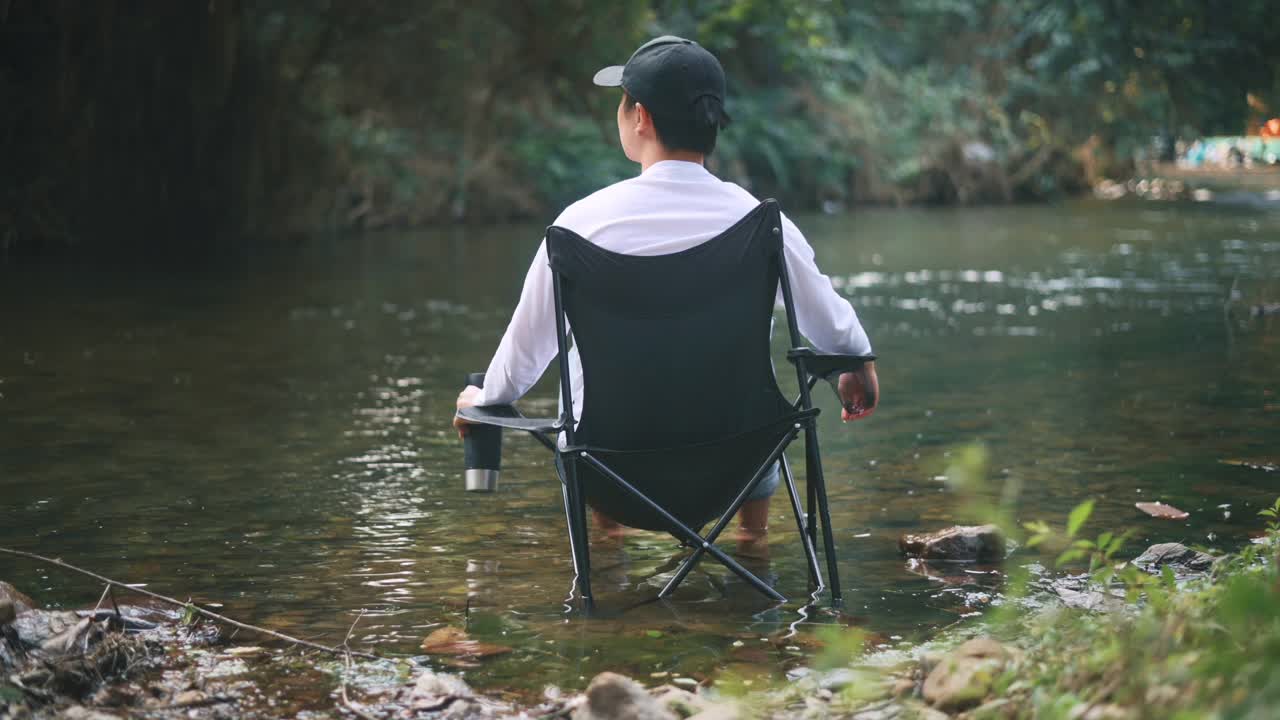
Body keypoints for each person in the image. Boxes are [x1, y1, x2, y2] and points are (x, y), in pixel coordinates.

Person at [454, 35, 878, 546]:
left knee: (582, 419)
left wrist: (481, 399)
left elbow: (523, 358)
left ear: (641, 118)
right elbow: (834, 329)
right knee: (761, 422)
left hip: (612, 470)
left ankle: (607, 565)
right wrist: (859, 364)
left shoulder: (578, 228)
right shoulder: (761, 223)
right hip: (736, 466)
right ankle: (755, 556)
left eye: (623, 99)